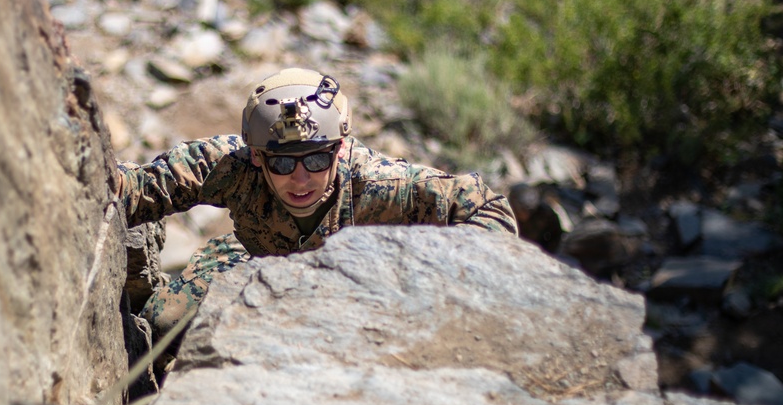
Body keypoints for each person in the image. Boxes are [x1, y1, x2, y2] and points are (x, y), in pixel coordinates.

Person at [115, 67, 518, 359]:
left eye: (317, 160)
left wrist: (441, 283)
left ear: (339, 149)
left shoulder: (377, 182)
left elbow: (485, 205)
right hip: (252, 268)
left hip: (354, 294)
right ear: (257, 156)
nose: (301, 178)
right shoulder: (229, 166)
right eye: (284, 164)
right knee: (163, 326)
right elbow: (142, 187)